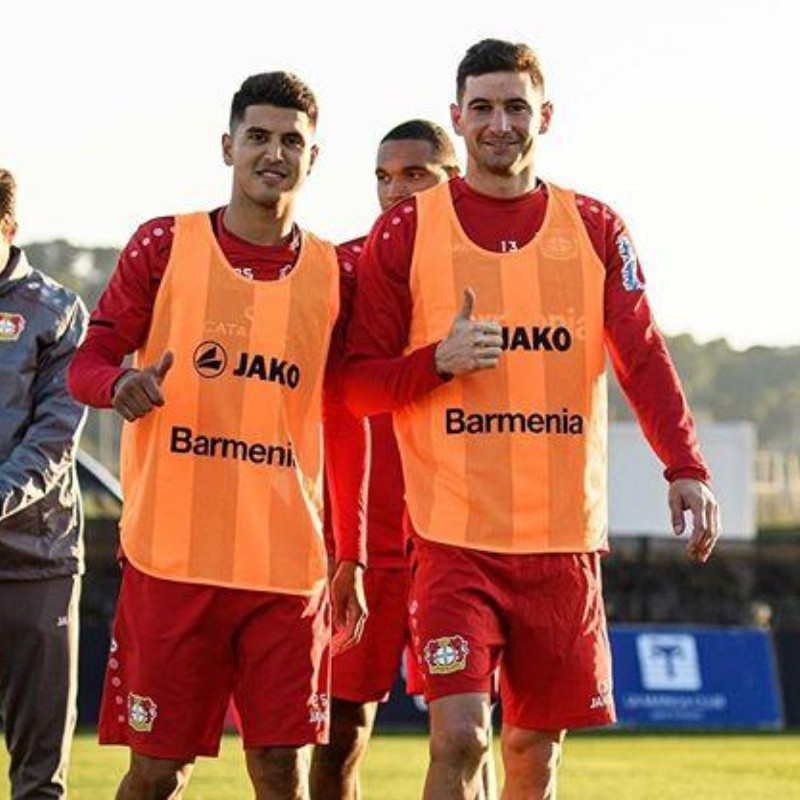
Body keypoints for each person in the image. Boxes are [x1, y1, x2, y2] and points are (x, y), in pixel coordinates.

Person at [342, 39, 721, 800]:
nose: (499, 123)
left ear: (544, 115)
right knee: (459, 738)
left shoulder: (594, 226)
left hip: (560, 541)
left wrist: (684, 467)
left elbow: (641, 354)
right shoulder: (407, 232)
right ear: (459, 118)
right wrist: (436, 362)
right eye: (482, 108)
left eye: (515, 107)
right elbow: (356, 388)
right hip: (452, 538)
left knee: (532, 752)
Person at [68, 72, 368, 800]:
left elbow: (354, 407)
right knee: (158, 773)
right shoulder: (166, 243)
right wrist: (121, 386)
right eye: (258, 137)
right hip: (174, 562)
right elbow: (88, 362)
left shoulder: (336, 271)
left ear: (313, 156)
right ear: (227, 145)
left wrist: (350, 553)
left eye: (291, 140)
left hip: (286, 570)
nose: (274, 153)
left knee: (282, 773)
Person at [310, 119, 498, 800]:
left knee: (469, 734)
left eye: (414, 174)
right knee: (337, 738)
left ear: (455, 175)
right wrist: (344, 545)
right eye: (384, 176)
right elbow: (343, 400)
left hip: (464, 537)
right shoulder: (345, 268)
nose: (395, 191)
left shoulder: (498, 265)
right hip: (372, 539)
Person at [0, 168, 88, 800]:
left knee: (38, 772)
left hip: (37, 559)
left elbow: (52, 442)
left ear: (9, 227)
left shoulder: (55, 312)